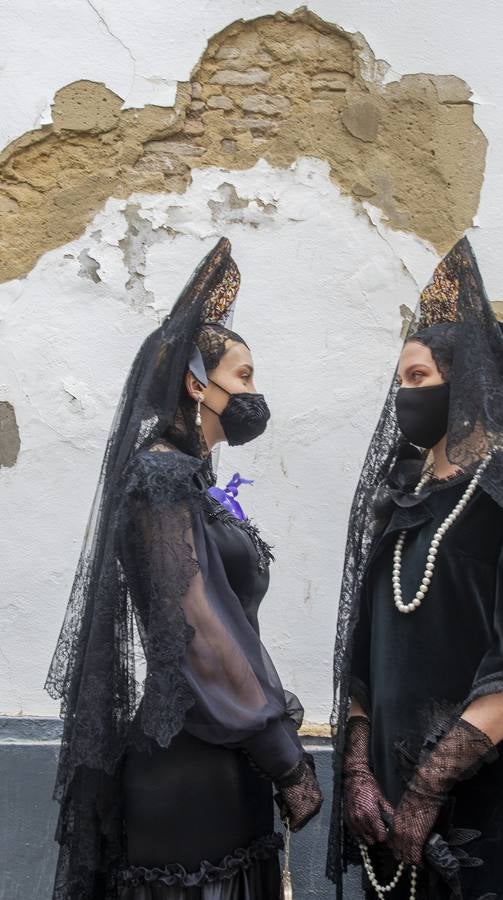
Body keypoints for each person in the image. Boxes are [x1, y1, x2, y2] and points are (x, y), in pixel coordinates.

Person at [46, 238, 322, 900]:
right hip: (187, 766)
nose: (255, 392)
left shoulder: (192, 481)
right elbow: (197, 626)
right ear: (199, 383)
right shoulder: (159, 477)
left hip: (228, 759)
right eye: (245, 375)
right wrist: (284, 758)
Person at [326, 238, 503, 899]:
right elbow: (365, 652)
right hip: (386, 810)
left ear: (468, 382)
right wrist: (360, 770)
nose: (403, 395)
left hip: (484, 806)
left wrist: (428, 787)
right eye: (399, 383)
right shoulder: (402, 503)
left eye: (417, 378)